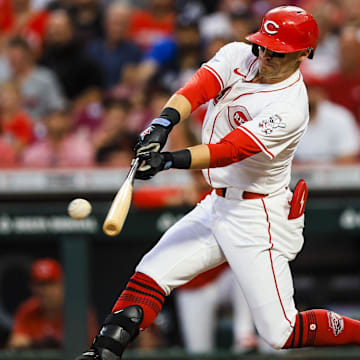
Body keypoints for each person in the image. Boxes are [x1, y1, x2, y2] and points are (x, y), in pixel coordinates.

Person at [76, 7, 360, 360]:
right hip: (217, 203)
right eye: (264, 46)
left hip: (258, 214)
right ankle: (101, 353)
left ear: (305, 53)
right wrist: (162, 124)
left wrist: (168, 160)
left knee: (281, 332)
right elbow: (198, 88)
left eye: (278, 51)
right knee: (150, 272)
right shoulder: (239, 53)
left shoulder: (291, 107)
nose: (266, 56)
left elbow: (230, 150)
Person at [8, 258, 98, 349]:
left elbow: (90, 347)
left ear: (62, 285)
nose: (44, 291)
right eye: (40, 284)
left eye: (50, 284)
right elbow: (16, 343)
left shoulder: (78, 312)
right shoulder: (27, 311)